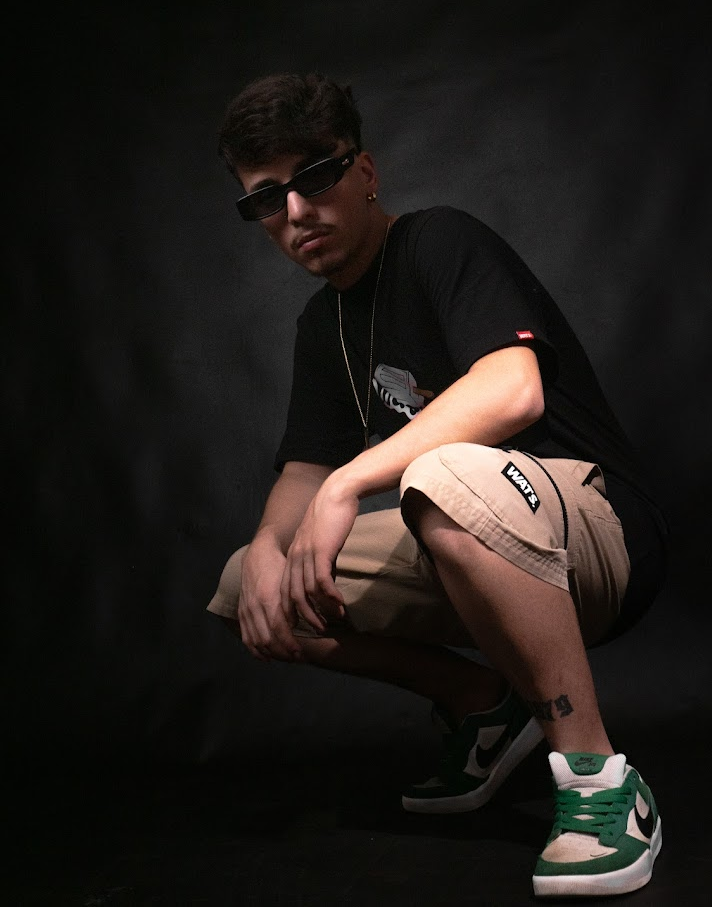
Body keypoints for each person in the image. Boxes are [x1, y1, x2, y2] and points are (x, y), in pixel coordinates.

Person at [207, 72, 668, 898]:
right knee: (253, 581)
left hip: (597, 532)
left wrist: (348, 485)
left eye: (315, 177)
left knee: (442, 472)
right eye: (267, 198)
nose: (297, 212)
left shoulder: (439, 242)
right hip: (466, 534)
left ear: (365, 172)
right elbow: (305, 469)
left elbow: (515, 389)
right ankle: (484, 703)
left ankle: (600, 778)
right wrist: (276, 541)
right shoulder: (323, 325)